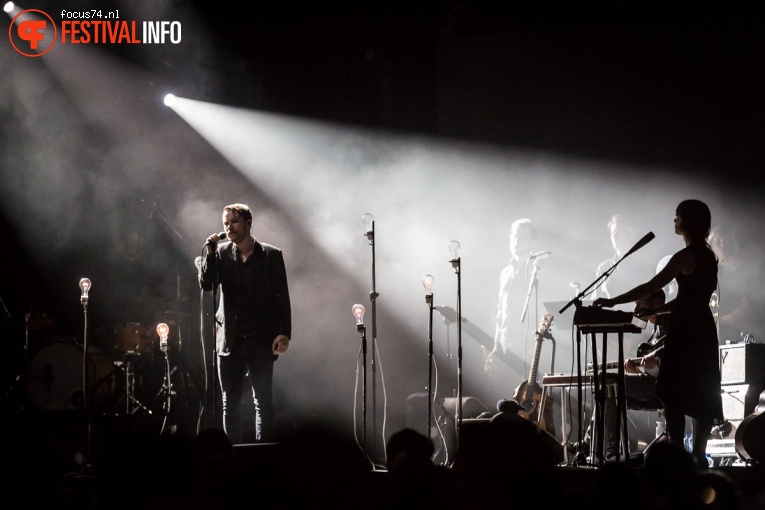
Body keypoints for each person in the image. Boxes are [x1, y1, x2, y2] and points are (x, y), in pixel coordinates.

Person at [594, 199, 723, 469]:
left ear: (687, 221)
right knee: (701, 392)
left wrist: (613, 301)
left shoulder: (685, 256)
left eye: (677, 217)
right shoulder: (708, 256)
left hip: (686, 330)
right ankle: (698, 457)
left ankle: (676, 457)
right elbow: (691, 299)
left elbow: (650, 285)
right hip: (702, 327)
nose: (673, 221)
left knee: (673, 393)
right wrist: (662, 309)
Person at [199, 203, 292, 444]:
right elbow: (207, 284)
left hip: (261, 338)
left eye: (234, 222)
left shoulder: (271, 255)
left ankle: (263, 455)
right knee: (230, 402)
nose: (228, 227)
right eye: (225, 223)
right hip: (230, 339)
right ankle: (234, 455)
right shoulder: (219, 254)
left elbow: (282, 297)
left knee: (263, 401)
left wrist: (284, 333)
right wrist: (208, 254)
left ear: (248, 223)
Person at [484, 218, 541, 402]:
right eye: (514, 237)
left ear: (532, 242)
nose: (516, 241)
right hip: (506, 342)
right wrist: (495, 345)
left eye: (521, 238)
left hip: (528, 345)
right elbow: (500, 313)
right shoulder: (505, 272)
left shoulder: (536, 269)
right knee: (507, 399)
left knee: (528, 399)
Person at [708, 225, 761, 344]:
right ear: (711, 246)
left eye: (726, 241)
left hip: (736, 334)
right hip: (712, 333)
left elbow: (749, 307)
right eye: (718, 242)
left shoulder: (742, 270)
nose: (723, 245)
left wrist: (722, 321)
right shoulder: (709, 272)